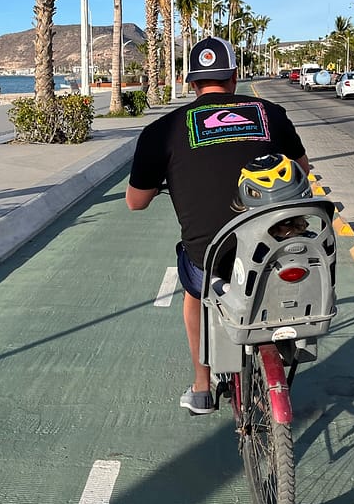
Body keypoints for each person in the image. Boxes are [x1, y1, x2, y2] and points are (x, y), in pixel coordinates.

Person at [125, 36, 310, 415]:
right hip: (276, 246)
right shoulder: (270, 113)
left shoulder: (163, 130)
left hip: (213, 257)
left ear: (192, 82)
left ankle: (202, 386)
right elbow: (302, 169)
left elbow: (135, 201)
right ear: (235, 77)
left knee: (194, 292)